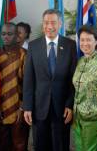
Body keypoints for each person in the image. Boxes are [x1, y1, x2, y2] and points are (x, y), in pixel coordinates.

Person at [23, 9, 77, 151]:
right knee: (40, 145)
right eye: (46, 23)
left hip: (62, 107)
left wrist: (70, 105)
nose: (49, 26)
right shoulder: (33, 46)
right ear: (43, 25)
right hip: (39, 107)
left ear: (60, 24)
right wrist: (27, 107)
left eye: (53, 22)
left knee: (60, 145)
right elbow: (29, 79)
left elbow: (74, 79)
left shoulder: (70, 45)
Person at [72, 25, 97, 151]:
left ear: (96, 41)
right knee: (79, 148)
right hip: (77, 116)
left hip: (93, 117)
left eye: (88, 40)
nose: (85, 43)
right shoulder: (80, 61)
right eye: (82, 40)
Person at [0, 23, 30, 151]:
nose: (6, 37)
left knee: (19, 144)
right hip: (0, 108)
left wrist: (23, 106)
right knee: (2, 145)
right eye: (3, 34)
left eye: (10, 34)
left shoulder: (24, 54)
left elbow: (28, 84)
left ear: (17, 36)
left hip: (18, 108)